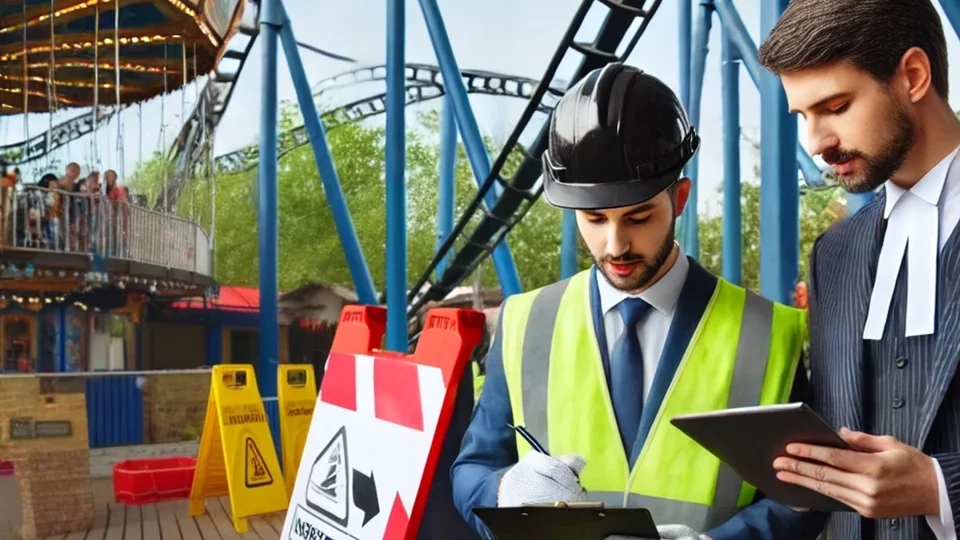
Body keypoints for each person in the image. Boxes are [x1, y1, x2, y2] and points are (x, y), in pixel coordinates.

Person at [450, 63, 827, 540]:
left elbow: (803, 493)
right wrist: (504, 492)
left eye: (639, 216)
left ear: (680, 199)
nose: (615, 245)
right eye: (594, 219)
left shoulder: (769, 333)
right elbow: (473, 469)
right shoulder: (524, 322)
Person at [758, 1, 960, 538]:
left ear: (913, 76)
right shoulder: (833, 254)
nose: (816, 144)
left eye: (836, 106)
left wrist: (941, 487)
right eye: (803, 116)